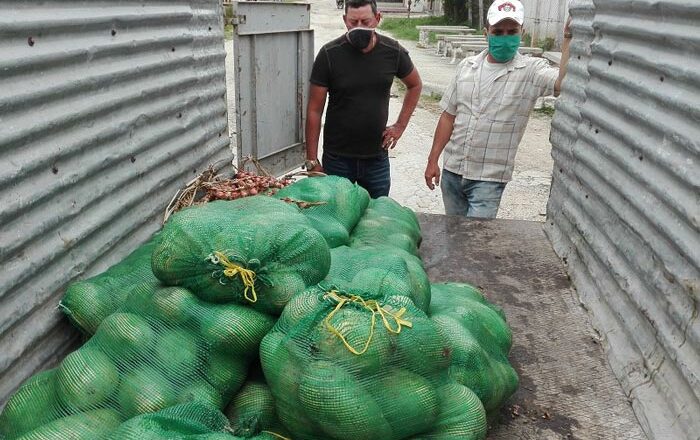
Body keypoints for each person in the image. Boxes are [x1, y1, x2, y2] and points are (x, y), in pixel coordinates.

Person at [424, 0, 572, 218]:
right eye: (498, 31)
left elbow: (563, 83)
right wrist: (432, 160)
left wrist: (568, 40)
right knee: (454, 237)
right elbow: (448, 116)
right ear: (486, 33)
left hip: (488, 180)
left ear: (522, 33)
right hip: (453, 173)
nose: (505, 37)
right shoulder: (467, 67)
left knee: (477, 242)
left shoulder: (530, 71)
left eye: (511, 31)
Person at [305, 0, 422, 198]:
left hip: (376, 159)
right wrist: (312, 160)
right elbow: (314, 110)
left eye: (365, 21)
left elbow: (415, 85)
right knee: (336, 217)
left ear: (377, 19)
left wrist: (400, 126)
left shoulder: (393, 52)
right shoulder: (329, 55)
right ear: (345, 21)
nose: (359, 27)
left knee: (377, 217)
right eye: (353, 21)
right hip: (337, 158)